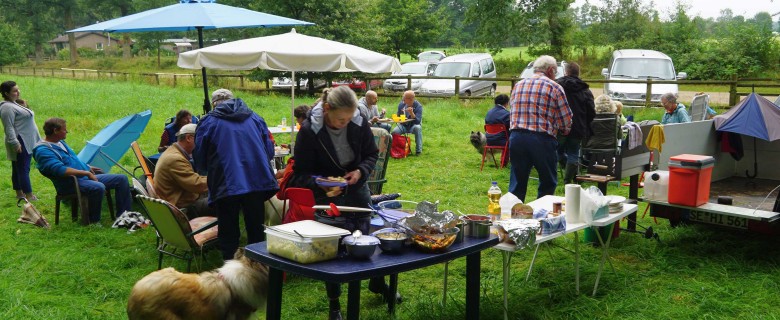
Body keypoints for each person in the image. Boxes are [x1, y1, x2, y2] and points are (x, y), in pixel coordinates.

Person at [289, 86, 387, 320]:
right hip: (326, 197)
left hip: (357, 190)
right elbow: (299, 173)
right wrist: (320, 183)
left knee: (367, 239)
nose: (345, 123)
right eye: (340, 119)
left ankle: (377, 282)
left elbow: (371, 154)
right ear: (326, 109)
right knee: (330, 250)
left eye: (349, 118)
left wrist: (360, 172)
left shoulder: (358, 120)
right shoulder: (309, 131)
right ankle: (335, 304)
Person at [194, 88, 278, 261]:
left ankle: (230, 268)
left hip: (226, 181)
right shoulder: (255, 117)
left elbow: (200, 157)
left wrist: (205, 170)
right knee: (255, 227)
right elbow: (269, 150)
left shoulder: (208, 121)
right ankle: (258, 266)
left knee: (228, 228)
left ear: (214, 104)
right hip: (257, 180)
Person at [32, 118, 132, 223]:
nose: (67, 132)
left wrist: (87, 167)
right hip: (69, 183)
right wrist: (85, 173)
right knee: (98, 187)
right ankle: (92, 221)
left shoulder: (60, 142)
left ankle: (124, 217)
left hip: (82, 178)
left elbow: (73, 160)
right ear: (55, 130)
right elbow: (59, 170)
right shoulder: (43, 150)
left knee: (121, 179)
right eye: (64, 130)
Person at [508, 55, 572, 203]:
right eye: (555, 72)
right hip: (541, 139)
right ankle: (542, 218)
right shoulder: (555, 87)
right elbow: (566, 120)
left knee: (517, 181)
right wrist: (564, 130)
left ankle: (514, 217)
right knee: (547, 181)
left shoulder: (518, 85)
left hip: (516, 137)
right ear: (550, 70)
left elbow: (513, 110)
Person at [154, 123, 211, 219]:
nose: (202, 142)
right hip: (185, 208)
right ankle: (228, 231)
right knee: (224, 198)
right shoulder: (175, 159)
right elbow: (196, 184)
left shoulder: (172, 152)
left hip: (180, 200)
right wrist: (220, 179)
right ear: (189, 138)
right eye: (200, 138)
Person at [555, 62, 595, 184]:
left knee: (556, 150)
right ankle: (568, 179)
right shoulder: (585, 89)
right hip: (578, 127)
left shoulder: (557, 86)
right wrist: (585, 122)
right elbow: (591, 110)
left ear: (566, 72)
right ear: (578, 73)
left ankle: (569, 172)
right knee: (573, 153)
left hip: (560, 126)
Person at [1, 81, 41, 201]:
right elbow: (8, 127)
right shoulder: (7, 107)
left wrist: (24, 106)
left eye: (18, 89)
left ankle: (19, 193)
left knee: (18, 167)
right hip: (20, 140)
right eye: (14, 91)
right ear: (6, 93)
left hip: (26, 139)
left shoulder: (13, 104)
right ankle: (28, 195)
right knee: (23, 168)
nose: (18, 92)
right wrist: (15, 143)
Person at [391, 90, 423, 155]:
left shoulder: (418, 106)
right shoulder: (401, 104)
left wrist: (411, 113)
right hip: (403, 125)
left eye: (404, 97)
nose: (403, 99)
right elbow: (398, 115)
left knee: (418, 128)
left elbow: (417, 121)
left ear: (410, 99)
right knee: (394, 132)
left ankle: (418, 150)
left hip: (413, 126)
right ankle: (394, 150)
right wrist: (397, 118)